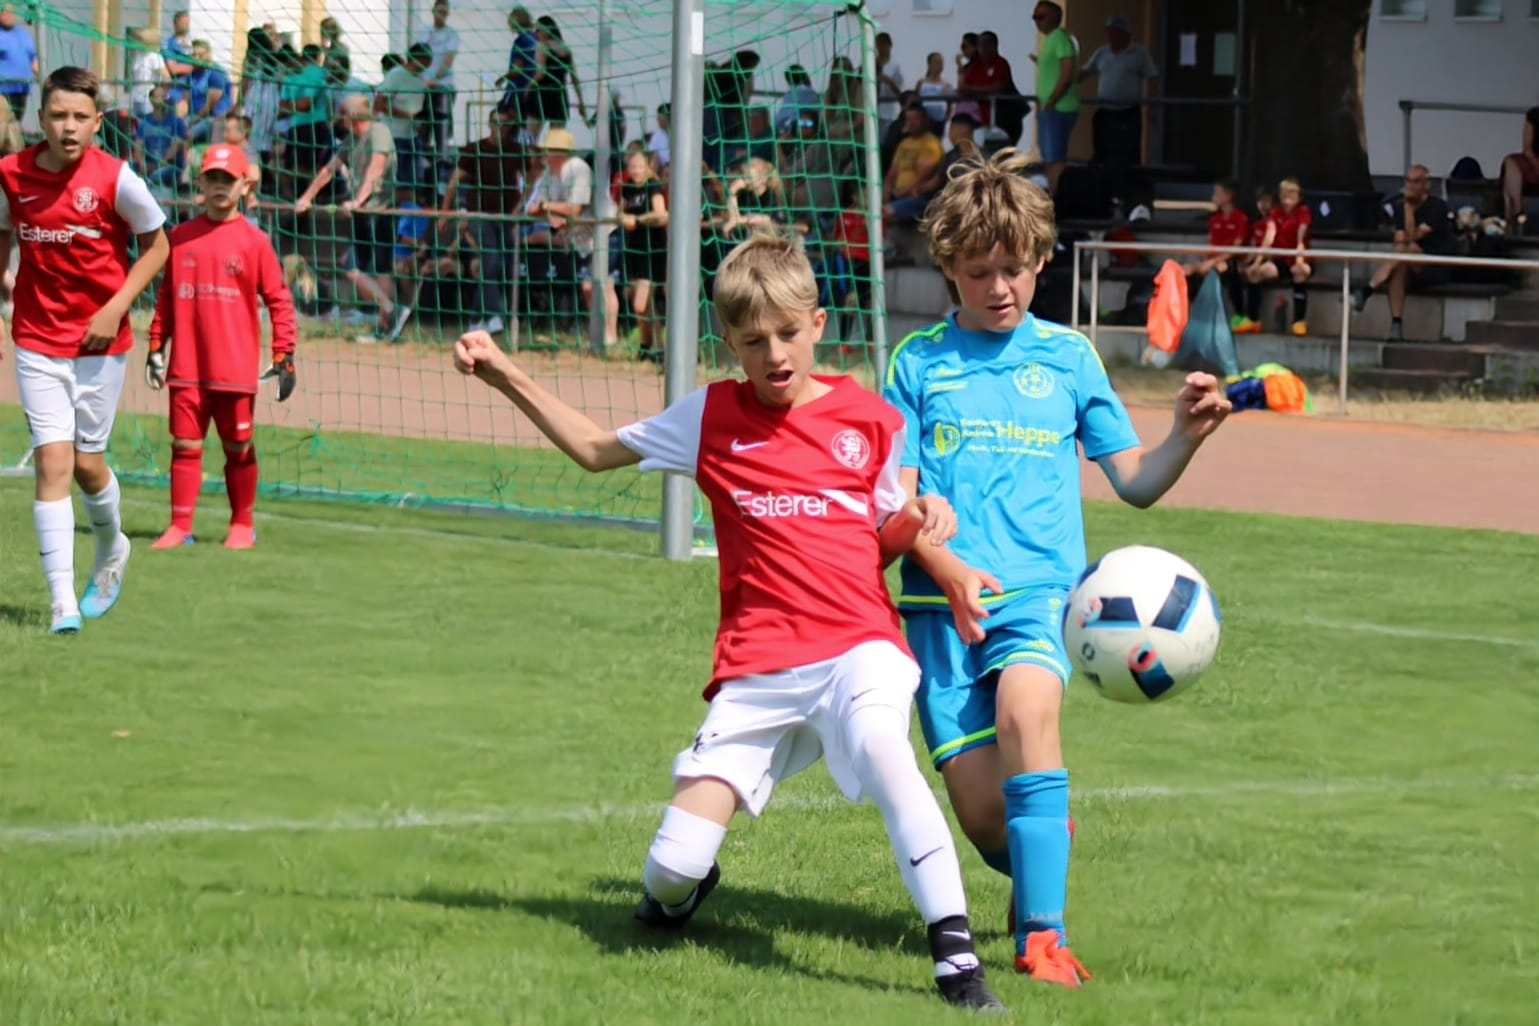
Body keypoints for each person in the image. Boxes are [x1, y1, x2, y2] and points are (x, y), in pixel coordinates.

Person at [453, 230, 1005, 1014]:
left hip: (858, 647)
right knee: (669, 869)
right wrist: (505, 373)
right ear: (729, 344)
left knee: (887, 753)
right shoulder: (710, 416)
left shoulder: (870, 420)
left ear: (817, 324)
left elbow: (880, 537)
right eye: (753, 342)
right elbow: (594, 449)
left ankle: (956, 963)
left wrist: (920, 524)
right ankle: (682, 891)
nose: (774, 355)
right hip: (757, 669)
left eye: (788, 333)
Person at [882, 149, 1231, 988]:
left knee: (1027, 713)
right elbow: (893, 503)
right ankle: (1041, 847)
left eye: (1013, 268)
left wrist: (1184, 436)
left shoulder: (1068, 360)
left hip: (1042, 599)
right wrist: (937, 551)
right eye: (978, 272)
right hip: (939, 611)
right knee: (983, 817)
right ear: (948, 269)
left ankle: (1043, 937)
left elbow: (1134, 482)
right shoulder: (917, 363)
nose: (998, 287)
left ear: (1041, 260)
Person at [0, 66, 171, 634]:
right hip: (36, 339)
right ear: (40, 119)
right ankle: (61, 604)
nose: (68, 127)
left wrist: (116, 307)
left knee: (87, 466)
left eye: (79, 117)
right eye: (57, 116)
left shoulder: (117, 179)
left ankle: (112, 545)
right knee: (53, 462)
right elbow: (4, 232)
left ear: (98, 122)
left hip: (100, 343)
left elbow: (158, 246)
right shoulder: (11, 174)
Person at [145, 144, 298, 550]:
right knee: (184, 445)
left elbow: (280, 300)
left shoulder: (255, 242)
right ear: (200, 183)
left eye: (228, 180)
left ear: (245, 186)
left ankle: (242, 524)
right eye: (212, 178)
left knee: (238, 447)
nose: (219, 186)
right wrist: (156, 345)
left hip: (234, 368)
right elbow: (166, 298)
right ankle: (180, 526)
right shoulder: (180, 236)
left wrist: (284, 354)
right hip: (187, 367)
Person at [1352, 163, 1454, 343]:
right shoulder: (1399, 207)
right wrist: (1405, 209)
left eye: (1416, 182)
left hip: (1435, 265)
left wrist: (1409, 210)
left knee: (1409, 249)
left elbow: (1414, 237)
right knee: (1399, 267)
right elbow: (1399, 240)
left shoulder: (1437, 207)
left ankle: (1368, 289)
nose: (1410, 186)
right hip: (1408, 264)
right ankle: (1396, 324)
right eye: (1408, 181)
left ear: (1426, 185)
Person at [1242, 178, 1313, 337]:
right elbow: (1269, 238)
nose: (1287, 202)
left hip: (1299, 258)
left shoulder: (1303, 212)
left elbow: (1301, 238)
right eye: (1284, 197)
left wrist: (1299, 259)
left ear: (1298, 198)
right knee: (1255, 273)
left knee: (1300, 272)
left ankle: (1299, 321)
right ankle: (1253, 320)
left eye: (1291, 198)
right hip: (1280, 260)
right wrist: (1257, 262)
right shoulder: (1276, 213)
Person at [1182, 178, 1249, 329]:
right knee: (1187, 272)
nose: (1213, 197)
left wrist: (1213, 262)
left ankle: (1240, 315)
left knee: (1226, 270)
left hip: (1233, 261)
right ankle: (1189, 314)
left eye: (1217, 193)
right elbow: (1211, 245)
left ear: (1228, 195)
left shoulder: (1240, 218)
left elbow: (1236, 248)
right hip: (1214, 261)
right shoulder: (1214, 219)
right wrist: (1201, 263)